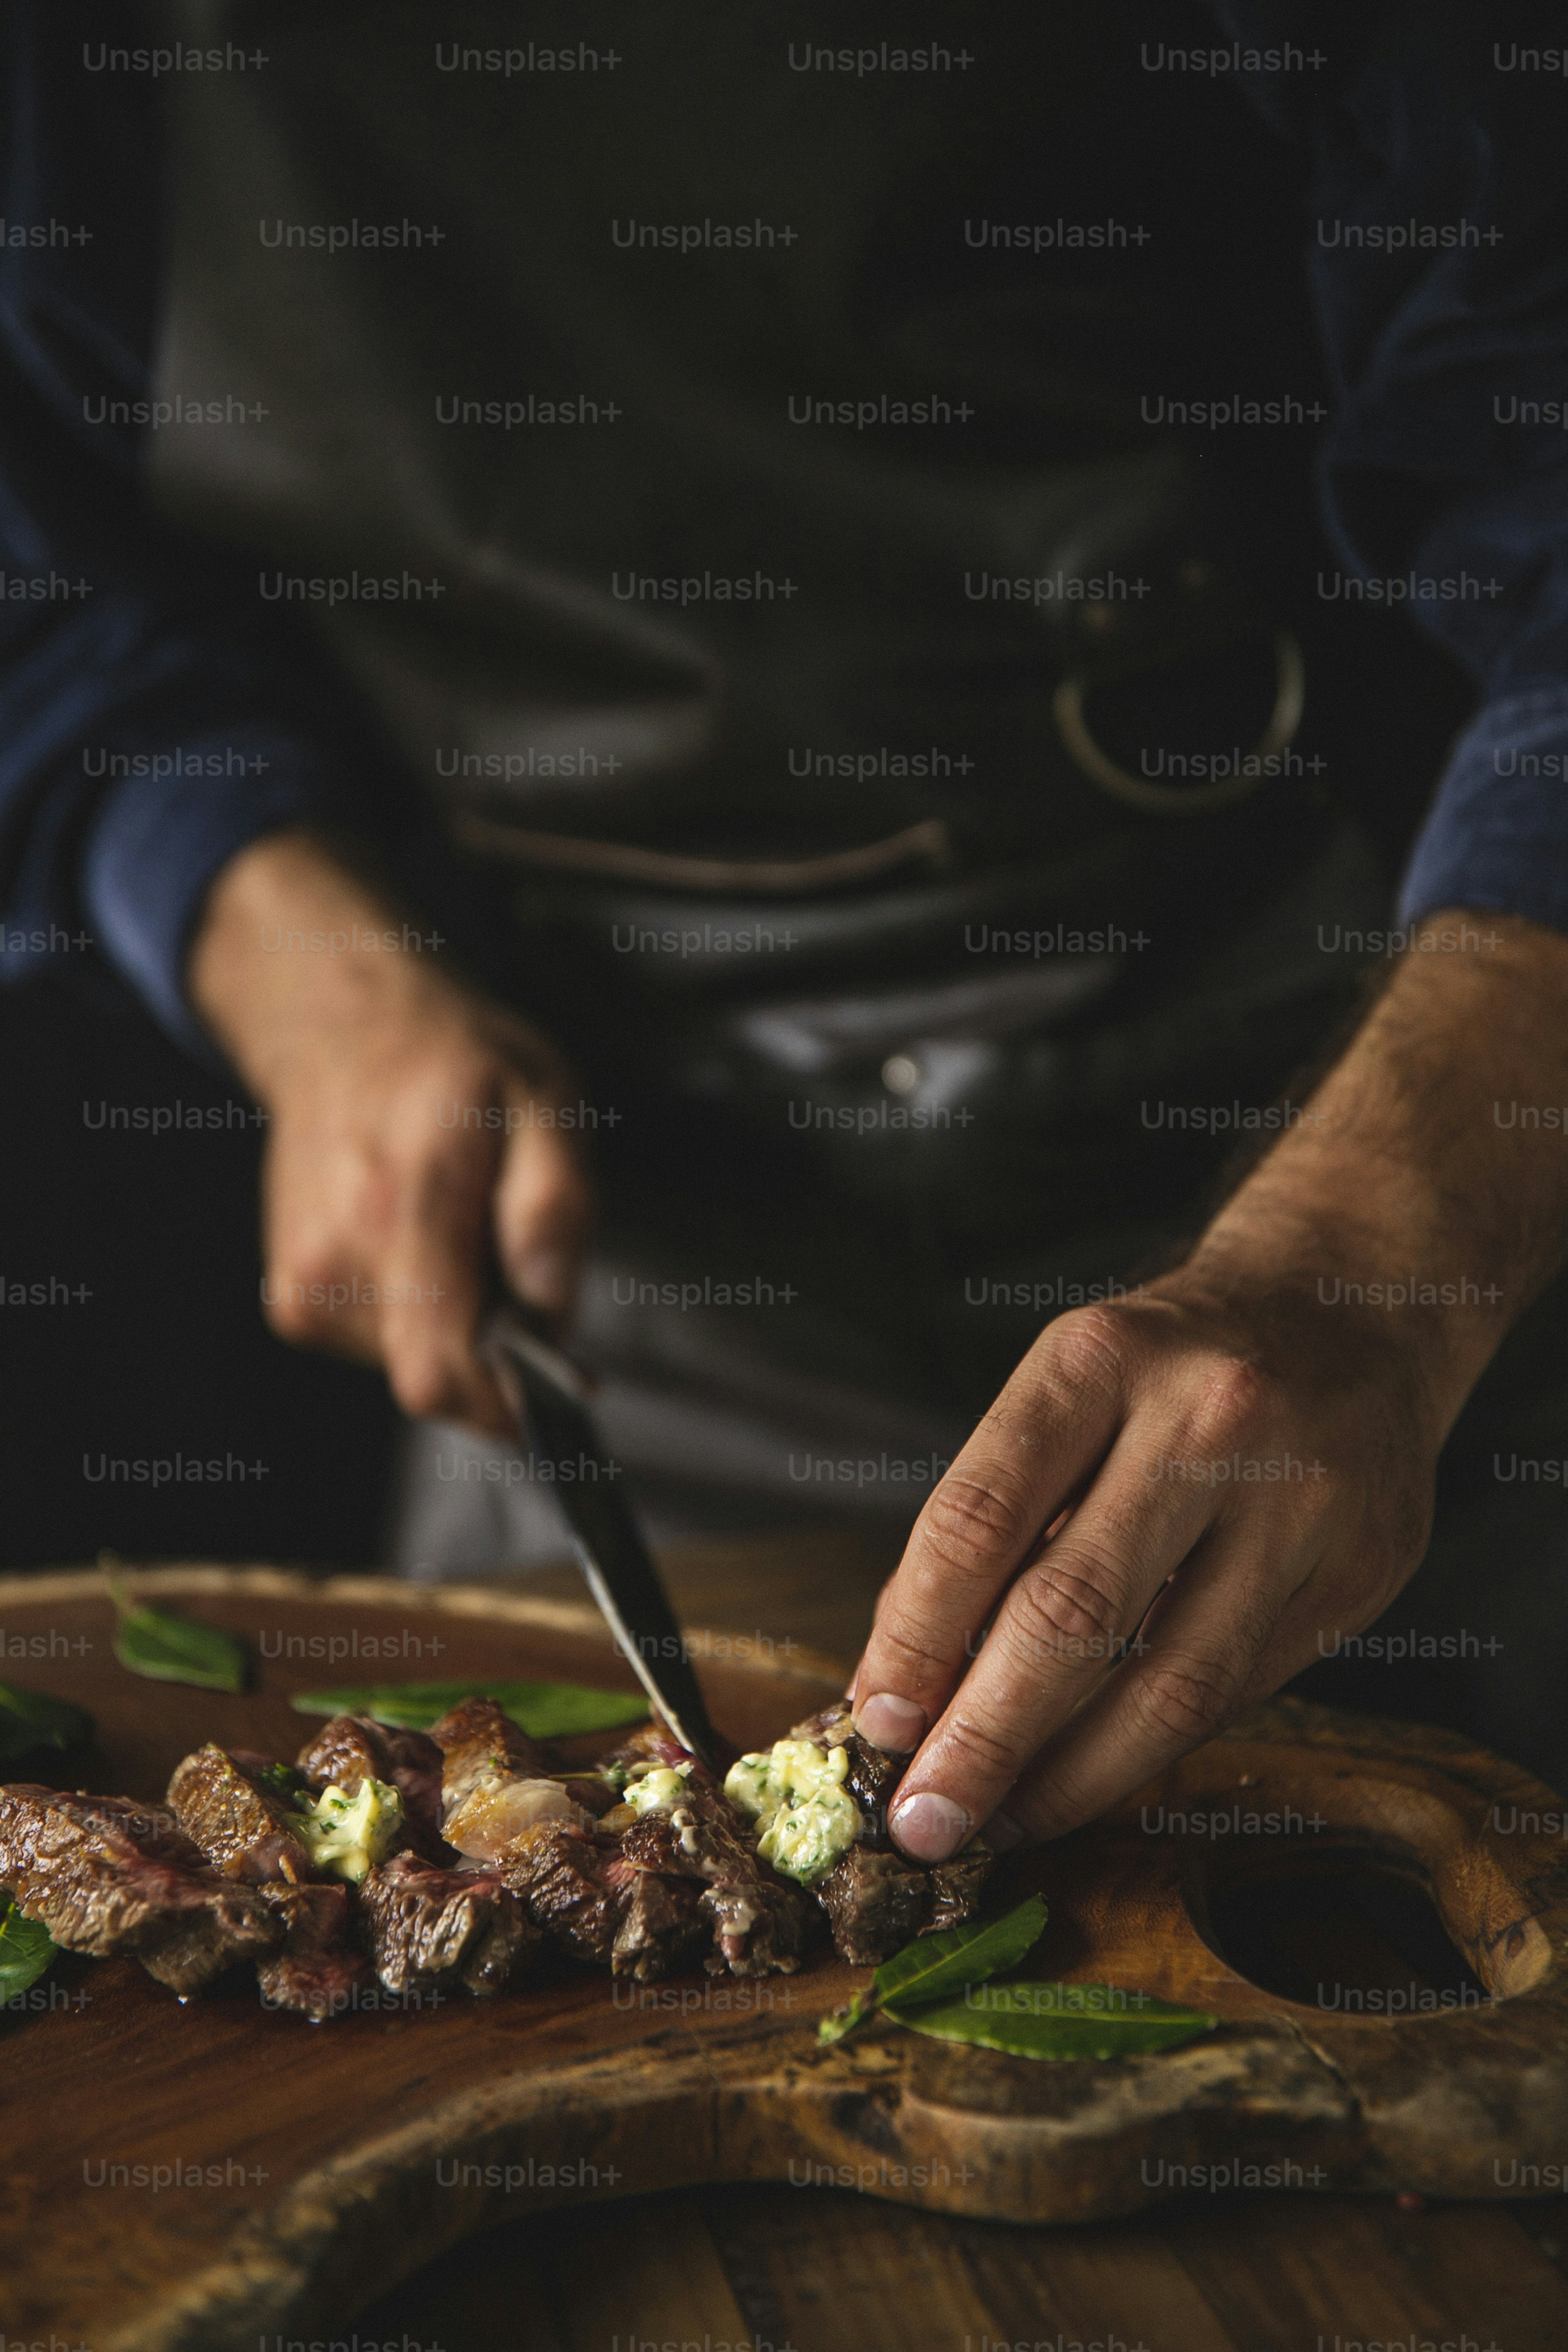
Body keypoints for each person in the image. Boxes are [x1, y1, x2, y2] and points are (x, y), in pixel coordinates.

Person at [7, 0, 1568, 1848]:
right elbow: (44, 588)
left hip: (1376, 1110)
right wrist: (295, 959)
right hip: (605, 1251)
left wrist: (1367, 1268)